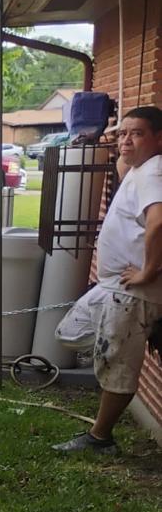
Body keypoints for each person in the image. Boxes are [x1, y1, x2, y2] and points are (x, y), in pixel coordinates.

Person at [52, 105, 162, 454]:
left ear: (159, 139)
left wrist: (147, 272)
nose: (126, 140)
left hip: (132, 291)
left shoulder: (154, 171)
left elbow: (159, 222)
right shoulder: (139, 167)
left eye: (137, 133)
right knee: (71, 332)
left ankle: (100, 438)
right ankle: (128, 341)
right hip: (113, 286)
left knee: (117, 365)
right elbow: (123, 164)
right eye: (122, 133)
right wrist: (124, 144)